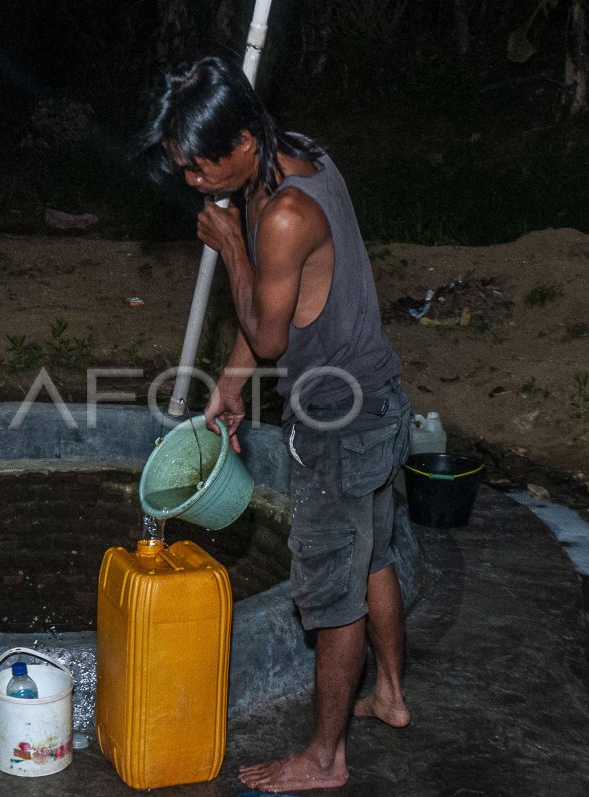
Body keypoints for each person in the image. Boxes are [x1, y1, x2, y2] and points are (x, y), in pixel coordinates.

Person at [141, 56, 413, 792]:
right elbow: (276, 307)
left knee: (333, 595)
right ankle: (389, 693)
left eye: (200, 168)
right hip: (379, 396)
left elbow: (268, 332)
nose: (194, 183)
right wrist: (231, 386)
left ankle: (325, 758)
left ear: (239, 145)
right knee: (374, 555)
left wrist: (230, 245)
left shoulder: (286, 213)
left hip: (339, 420)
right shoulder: (294, 155)